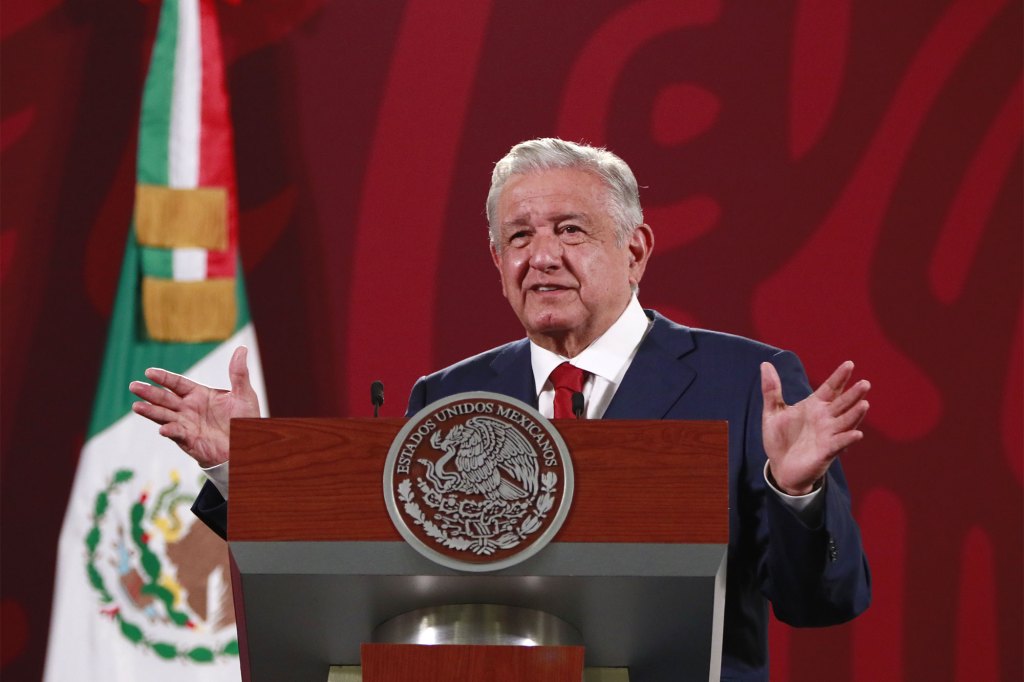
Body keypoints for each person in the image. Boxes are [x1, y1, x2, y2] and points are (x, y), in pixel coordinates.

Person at [129, 138, 871, 680]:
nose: (540, 256)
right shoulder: (447, 398)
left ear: (637, 249)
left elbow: (820, 604)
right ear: (496, 262)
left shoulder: (745, 381)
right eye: (518, 236)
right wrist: (244, 468)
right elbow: (357, 564)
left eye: (569, 230)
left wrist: (795, 492)